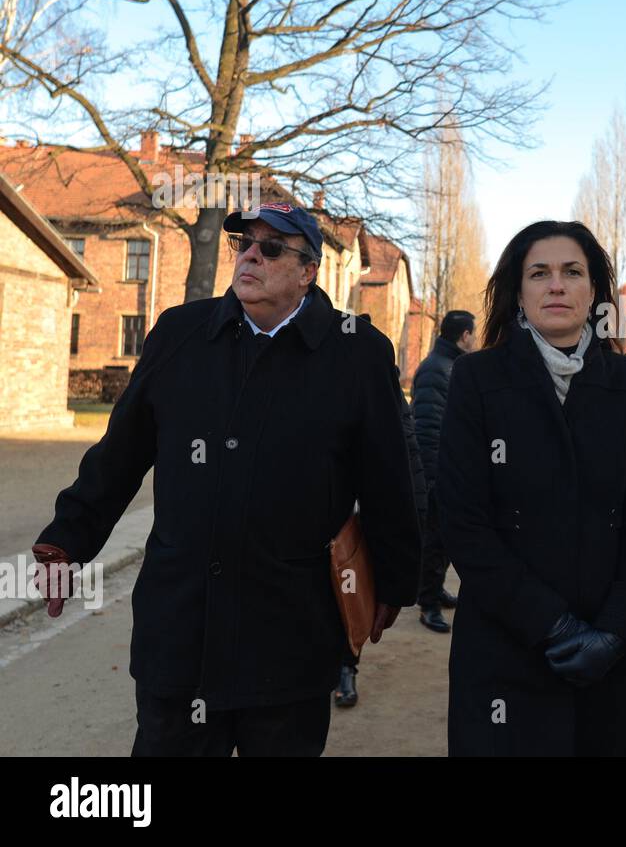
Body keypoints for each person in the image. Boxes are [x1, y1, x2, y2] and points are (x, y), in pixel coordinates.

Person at [32, 202, 420, 756]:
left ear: (308, 271)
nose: (251, 256)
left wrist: (396, 580)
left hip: (291, 634)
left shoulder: (355, 351)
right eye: (245, 245)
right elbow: (120, 454)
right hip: (181, 628)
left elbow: (387, 478)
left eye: (273, 248)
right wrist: (67, 540)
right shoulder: (180, 334)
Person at [435, 220, 626, 756]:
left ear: (594, 292)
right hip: (505, 646)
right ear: (519, 292)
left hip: (603, 654)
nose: (556, 285)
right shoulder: (477, 380)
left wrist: (617, 632)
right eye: (539, 273)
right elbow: (462, 520)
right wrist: (552, 625)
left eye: (572, 272)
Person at [335, 316, 430, 708]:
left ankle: (347, 667)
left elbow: (405, 462)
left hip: (359, 523)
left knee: (348, 590)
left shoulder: (384, 388)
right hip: (328, 517)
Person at [410, 309, 478, 634]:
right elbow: (426, 428)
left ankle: (434, 591)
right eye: (473, 334)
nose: (476, 340)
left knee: (445, 540)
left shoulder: (450, 367)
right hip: (437, 473)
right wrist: (436, 476)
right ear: (464, 336)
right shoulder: (436, 370)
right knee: (436, 541)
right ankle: (428, 605)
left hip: (451, 471)